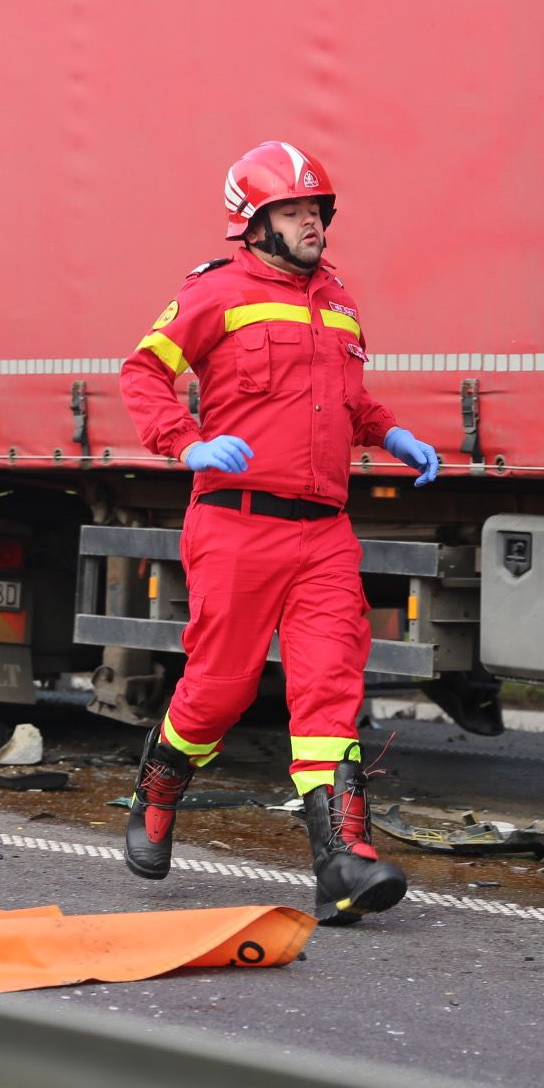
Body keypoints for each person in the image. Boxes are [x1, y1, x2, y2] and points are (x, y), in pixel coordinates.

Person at [117, 140, 440, 925]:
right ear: (254, 222)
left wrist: (391, 432)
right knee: (219, 692)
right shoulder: (217, 294)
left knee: (330, 690)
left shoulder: (338, 302)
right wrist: (185, 442)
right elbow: (141, 371)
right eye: (293, 212)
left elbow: (346, 400)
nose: (312, 224)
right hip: (236, 525)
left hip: (325, 532)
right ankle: (157, 790)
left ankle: (342, 865)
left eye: (316, 210)